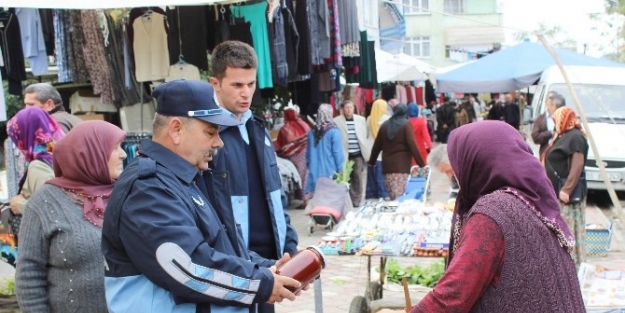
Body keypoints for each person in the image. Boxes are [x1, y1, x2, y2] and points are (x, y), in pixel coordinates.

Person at [102, 80, 302, 313]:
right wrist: (262, 283)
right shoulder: (147, 189)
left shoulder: (183, 178)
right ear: (176, 129)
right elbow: (188, 267)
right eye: (210, 132)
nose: (218, 142)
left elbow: (222, 247)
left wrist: (267, 268)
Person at [380, 121, 585, 313]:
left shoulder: (491, 214)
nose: (458, 179)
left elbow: (454, 294)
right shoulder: (534, 199)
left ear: (476, 162)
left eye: (457, 169)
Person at [204, 41, 299, 313]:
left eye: (251, 84)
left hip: (270, 262)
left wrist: (289, 243)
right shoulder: (210, 136)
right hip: (235, 265)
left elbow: (275, 193)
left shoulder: (257, 128)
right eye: (237, 85)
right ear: (215, 83)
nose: (246, 93)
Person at [16, 121, 126, 313]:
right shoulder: (44, 203)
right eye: (115, 148)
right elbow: (29, 276)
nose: (124, 154)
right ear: (90, 153)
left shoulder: (127, 195)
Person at [7, 107, 65, 242]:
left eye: (17, 138)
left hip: (51, 244)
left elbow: (54, 209)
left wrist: (20, 204)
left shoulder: (39, 165)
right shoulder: (60, 153)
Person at [544, 106, 589, 267]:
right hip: (558, 193)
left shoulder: (575, 137)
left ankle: (573, 265)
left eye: (556, 120)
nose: (555, 123)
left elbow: (577, 166)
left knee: (569, 229)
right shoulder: (564, 135)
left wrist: (566, 189)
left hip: (567, 196)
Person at [368, 103, 425, 200]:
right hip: (402, 166)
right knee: (399, 196)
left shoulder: (384, 126)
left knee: (393, 194)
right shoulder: (406, 125)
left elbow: (377, 146)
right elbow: (412, 145)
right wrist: (421, 164)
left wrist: (372, 162)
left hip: (387, 167)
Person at [333, 100, 371, 207]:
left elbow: (365, 134)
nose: (349, 109)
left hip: (357, 154)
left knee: (357, 177)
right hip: (344, 154)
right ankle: (347, 200)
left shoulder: (361, 120)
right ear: (343, 109)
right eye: (347, 108)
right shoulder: (336, 121)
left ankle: (357, 199)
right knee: (345, 177)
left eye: (351, 107)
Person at [305, 104, 345, 197]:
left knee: (318, 200)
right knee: (330, 201)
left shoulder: (311, 132)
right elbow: (337, 153)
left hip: (314, 173)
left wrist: (310, 166)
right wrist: (341, 170)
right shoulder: (334, 131)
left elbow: (308, 154)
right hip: (330, 173)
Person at [275, 108, 311, 209]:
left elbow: (281, 146)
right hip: (308, 153)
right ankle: (307, 199)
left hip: (295, 156)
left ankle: (305, 200)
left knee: (299, 177)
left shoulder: (285, 128)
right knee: (306, 176)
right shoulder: (304, 124)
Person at [366, 97, 390, 199]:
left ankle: (372, 193)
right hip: (383, 150)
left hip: (371, 150)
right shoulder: (387, 119)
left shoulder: (369, 119)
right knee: (382, 172)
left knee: (372, 173)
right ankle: (383, 193)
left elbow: (366, 134)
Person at [532, 92, 565, 158]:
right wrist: (550, 133)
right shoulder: (540, 119)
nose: (547, 104)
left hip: (561, 155)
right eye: (547, 101)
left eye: (551, 103)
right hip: (545, 155)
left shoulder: (565, 119)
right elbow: (535, 137)